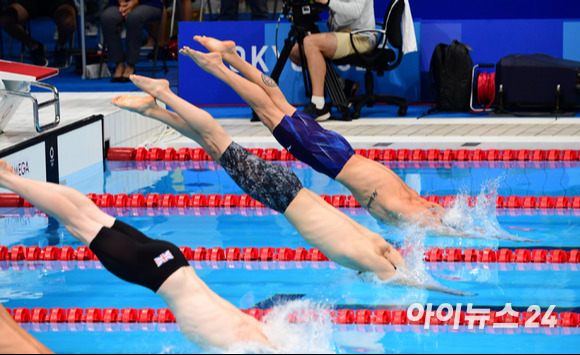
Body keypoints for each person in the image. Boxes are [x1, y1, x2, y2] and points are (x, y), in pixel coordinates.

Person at [110, 73, 470, 296]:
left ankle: (154, 109)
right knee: (215, 139)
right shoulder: (368, 257)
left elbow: (396, 264)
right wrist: (442, 290)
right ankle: (165, 95)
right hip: (280, 192)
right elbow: (402, 280)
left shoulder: (376, 246)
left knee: (214, 143)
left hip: (289, 188)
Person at [184, 36, 535, 242]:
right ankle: (221, 64)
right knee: (269, 108)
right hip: (333, 156)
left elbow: (442, 216)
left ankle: (231, 57)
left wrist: (478, 232)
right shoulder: (410, 208)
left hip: (341, 155)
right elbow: (440, 221)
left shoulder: (413, 204)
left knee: (278, 104)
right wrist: (476, 237)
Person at [0, 160, 272, 351]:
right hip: (156, 272)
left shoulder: (257, 335)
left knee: (89, 213)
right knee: (77, 222)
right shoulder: (247, 345)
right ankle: (6, 178)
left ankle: (11, 177)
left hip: (170, 259)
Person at [288, 0, 376, 121]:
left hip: (360, 37)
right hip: (341, 34)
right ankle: (343, 85)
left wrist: (328, 2)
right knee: (295, 51)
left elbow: (356, 11)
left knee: (311, 42)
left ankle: (319, 105)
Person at [0, 0, 77, 68]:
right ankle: (34, 47)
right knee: (6, 20)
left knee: (68, 22)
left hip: (59, 2)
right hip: (29, 2)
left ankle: (61, 47)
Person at [100, 0, 164, 83]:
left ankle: (130, 65)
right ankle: (119, 64)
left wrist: (135, 2)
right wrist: (121, 2)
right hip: (119, 4)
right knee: (107, 17)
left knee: (134, 17)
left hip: (149, 3)